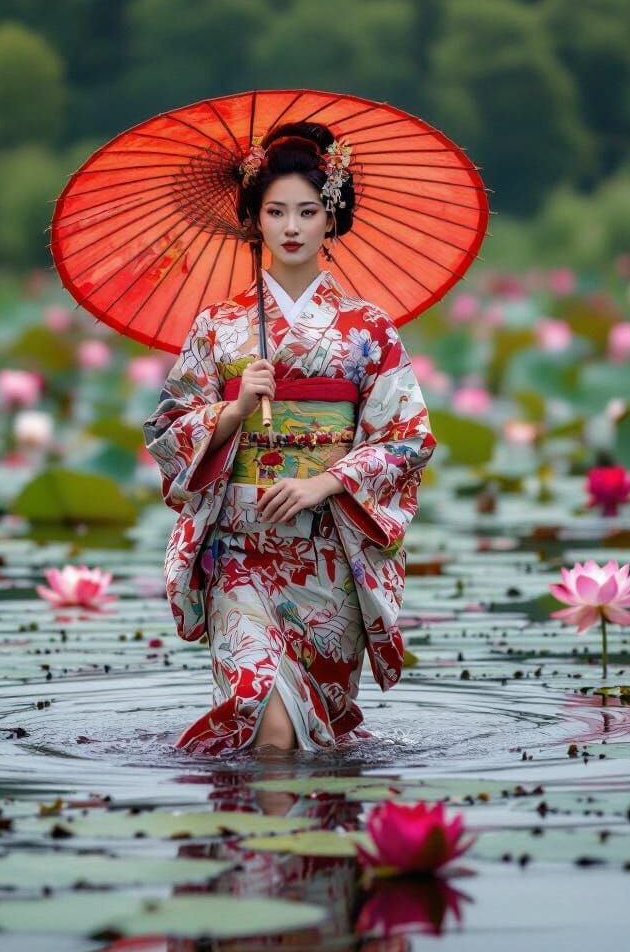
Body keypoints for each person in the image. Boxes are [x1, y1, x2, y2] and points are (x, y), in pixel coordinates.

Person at [143, 121, 435, 755]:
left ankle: (303, 848)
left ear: (331, 217)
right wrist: (234, 408)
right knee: (264, 715)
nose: (293, 227)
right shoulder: (219, 327)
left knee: (313, 740)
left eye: (308, 210)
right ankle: (262, 847)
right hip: (238, 551)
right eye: (276, 211)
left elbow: (409, 437)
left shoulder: (369, 329)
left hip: (328, 549)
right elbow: (165, 430)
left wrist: (322, 483)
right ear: (256, 220)